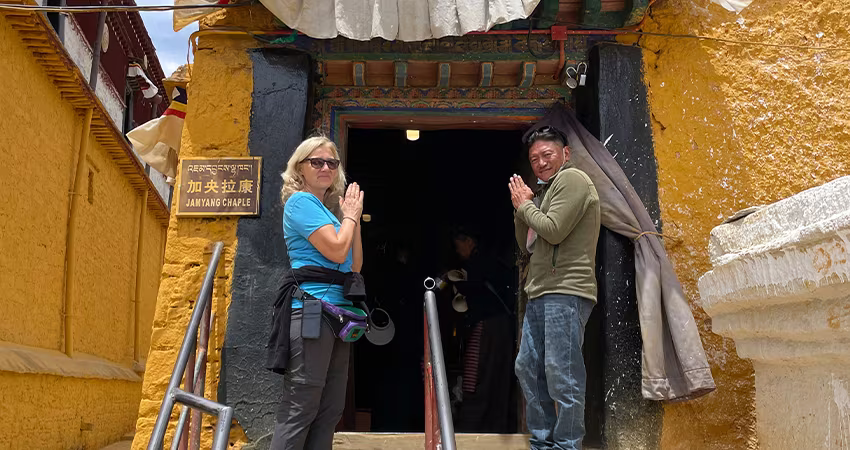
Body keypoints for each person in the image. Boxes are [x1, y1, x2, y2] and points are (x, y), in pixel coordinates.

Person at [266, 136, 365, 450]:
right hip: (312, 311)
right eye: (317, 162)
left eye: (331, 163)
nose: (325, 168)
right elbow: (337, 251)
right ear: (300, 168)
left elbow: (355, 265)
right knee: (301, 405)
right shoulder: (300, 202)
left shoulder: (330, 212)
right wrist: (349, 217)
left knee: (330, 409)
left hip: (340, 315)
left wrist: (354, 218)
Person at [508, 126, 601, 450]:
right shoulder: (546, 190)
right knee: (529, 368)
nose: (540, 163)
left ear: (565, 153)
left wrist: (525, 206)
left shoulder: (573, 180)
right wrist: (523, 209)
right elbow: (528, 245)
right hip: (541, 290)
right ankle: (544, 442)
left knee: (563, 373)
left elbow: (555, 230)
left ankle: (566, 445)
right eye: (534, 158)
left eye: (547, 155)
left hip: (567, 289)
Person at [450, 229, 515, 433]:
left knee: (475, 379)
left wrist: (457, 283)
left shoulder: (476, 265)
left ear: (469, 240)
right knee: (499, 381)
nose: (457, 250)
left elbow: (474, 287)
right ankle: (496, 429)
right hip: (504, 327)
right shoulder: (496, 263)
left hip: (487, 326)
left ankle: (470, 431)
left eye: (457, 244)